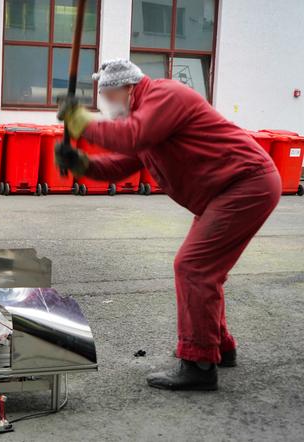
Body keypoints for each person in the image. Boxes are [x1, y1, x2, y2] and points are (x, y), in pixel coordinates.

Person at [57, 59, 281, 391]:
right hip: (227, 190)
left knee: (193, 267)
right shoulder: (147, 116)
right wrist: (84, 164)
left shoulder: (164, 96)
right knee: (202, 269)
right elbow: (124, 163)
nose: (107, 104)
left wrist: (80, 122)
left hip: (244, 183)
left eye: (109, 96)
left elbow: (132, 137)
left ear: (128, 88)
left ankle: (199, 364)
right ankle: (218, 347)